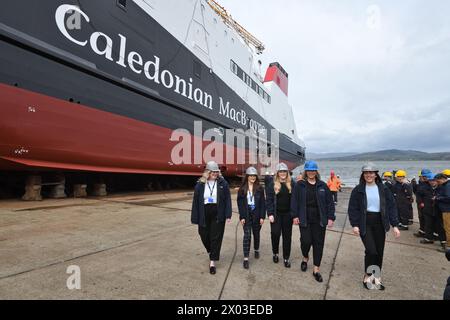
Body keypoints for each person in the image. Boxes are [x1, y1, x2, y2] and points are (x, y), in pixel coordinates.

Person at [348, 162, 401, 290]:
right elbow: (353, 208)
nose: (369, 175)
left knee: (379, 252)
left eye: (371, 172)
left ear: (376, 174)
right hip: (365, 222)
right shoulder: (358, 190)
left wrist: (395, 225)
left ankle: (376, 277)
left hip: (380, 222)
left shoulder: (383, 189)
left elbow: (391, 206)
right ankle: (367, 275)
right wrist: (355, 224)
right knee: (371, 250)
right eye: (366, 173)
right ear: (363, 175)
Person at [291, 161, 335, 283]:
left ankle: (316, 269)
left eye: (313, 170)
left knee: (318, 243)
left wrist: (331, 217)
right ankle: (305, 257)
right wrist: (294, 215)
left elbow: (329, 203)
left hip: (320, 219)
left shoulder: (322, 186)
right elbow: (294, 201)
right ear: (306, 171)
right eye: (309, 170)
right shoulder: (299, 185)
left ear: (316, 171)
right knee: (305, 241)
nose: (311, 172)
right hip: (304, 218)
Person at [191, 161, 232, 275]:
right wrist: (195, 217)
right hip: (204, 212)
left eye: (216, 171)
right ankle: (210, 250)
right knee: (203, 233)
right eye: (212, 171)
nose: (214, 173)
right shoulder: (200, 184)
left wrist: (228, 214)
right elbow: (195, 202)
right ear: (207, 172)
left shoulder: (223, 183)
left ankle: (212, 261)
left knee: (216, 236)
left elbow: (227, 199)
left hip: (218, 212)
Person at [266, 163, 294, 268]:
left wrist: (294, 214)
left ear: (287, 173)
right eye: (281, 171)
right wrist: (270, 214)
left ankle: (286, 258)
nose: (282, 173)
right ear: (277, 173)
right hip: (276, 214)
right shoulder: (272, 185)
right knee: (275, 234)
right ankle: (275, 253)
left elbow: (295, 200)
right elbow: (268, 200)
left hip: (288, 215)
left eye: (284, 171)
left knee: (287, 237)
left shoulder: (292, 184)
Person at [237, 167, 266, 269]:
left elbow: (263, 203)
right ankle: (246, 258)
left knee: (256, 233)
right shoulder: (242, 189)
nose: (253, 177)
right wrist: (242, 217)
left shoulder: (260, 188)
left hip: (257, 213)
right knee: (247, 235)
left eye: (254, 176)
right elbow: (240, 204)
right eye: (251, 176)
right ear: (247, 177)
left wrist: (262, 216)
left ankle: (256, 249)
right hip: (246, 212)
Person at [417, 173, 446, 251]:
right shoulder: (424, 188)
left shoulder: (441, 188)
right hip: (427, 209)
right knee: (428, 224)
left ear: (437, 181)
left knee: (440, 226)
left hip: (438, 210)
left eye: (434, 180)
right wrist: (421, 202)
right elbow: (419, 196)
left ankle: (443, 241)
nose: (432, 182)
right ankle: (428, 238)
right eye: (430, 181)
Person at [414, 169, 433, 238]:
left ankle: (427, 233)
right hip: (421, 204)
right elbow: (417, 193)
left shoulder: (429, 184)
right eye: (420, 177)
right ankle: (422, 231)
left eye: (423, 177)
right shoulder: (421, 184)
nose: (422, 178)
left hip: (426, 204)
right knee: (421, 217)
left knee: (426, 219)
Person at [435, 173, 450, 253]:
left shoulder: (447, 186)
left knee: (448, 228)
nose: (438, 183)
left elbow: (448, 198)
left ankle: (448, 247)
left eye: (438, 181)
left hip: (447, 210)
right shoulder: (446, 185)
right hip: (446, 209)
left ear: (442, 179)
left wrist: (438, 198)